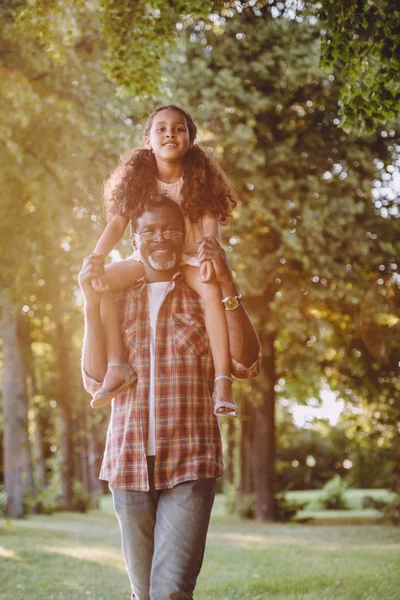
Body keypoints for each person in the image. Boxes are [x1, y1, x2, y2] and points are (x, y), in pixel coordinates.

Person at [79, 197, 261, 600]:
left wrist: (228, 283)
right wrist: (91, 302)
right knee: (142, 593)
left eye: (170, 230)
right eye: (149, 231)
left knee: (171, 591)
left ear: (185, 237)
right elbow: (95, 379)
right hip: (128, 463)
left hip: (190, 460)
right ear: (134, 237)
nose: (160, 239)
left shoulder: (204, 289)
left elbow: (246, 363)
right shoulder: (116, 294)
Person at [90, 105, 239, 415]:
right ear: (148, 140)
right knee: (102, 283)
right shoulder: (139, 181)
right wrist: (97, 257)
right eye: (161, 128)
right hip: (147, 257)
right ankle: (118, 365)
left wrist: (210, 253)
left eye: (179, 128)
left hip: (187, 255)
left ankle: (223, 380)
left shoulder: (198, 178)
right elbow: (118, 223)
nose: (170, 132)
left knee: (212, 290)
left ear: (190, 139)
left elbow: (210, 221)